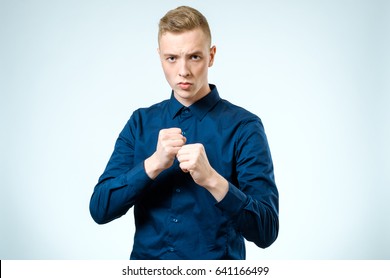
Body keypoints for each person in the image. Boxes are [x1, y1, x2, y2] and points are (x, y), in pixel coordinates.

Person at [89, 5, 279, 260]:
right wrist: (152, 165)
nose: (183, 71)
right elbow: (100, 209)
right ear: (160, 57)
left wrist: (213, 180)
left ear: (211, 56)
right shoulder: (140, 123)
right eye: (172, 58)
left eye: (194, 57)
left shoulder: (244, 127)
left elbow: (266, 230)